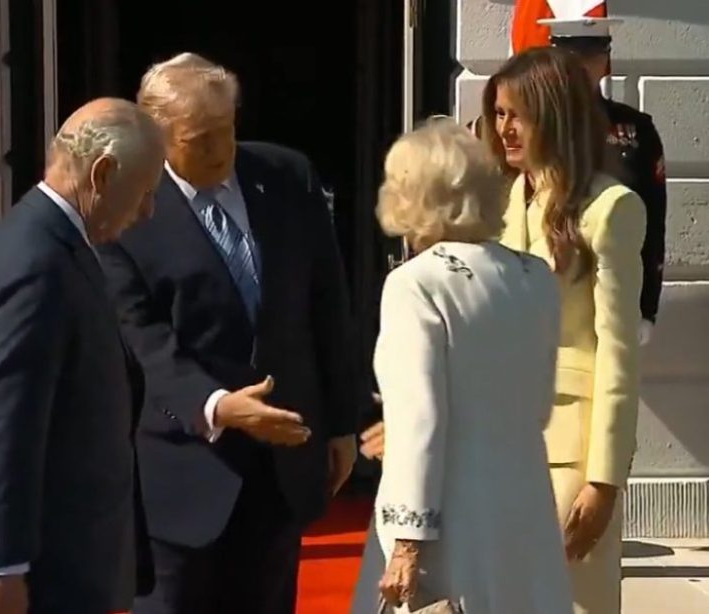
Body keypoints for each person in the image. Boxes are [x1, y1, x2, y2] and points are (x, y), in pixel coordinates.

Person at [99, 52, 363, 614]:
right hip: (184, 476)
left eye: (228, 130)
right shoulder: (126, 211)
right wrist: (217, 406)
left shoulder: (288, 177)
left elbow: (326, 305)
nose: (221, 151)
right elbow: (143, 340)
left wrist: (342, 423)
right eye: (200, 139)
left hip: (282, 470)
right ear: (157, 137)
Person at [349, 118, 571, 613]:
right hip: (525, 506)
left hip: (451, 518)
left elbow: (419, 421)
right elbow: (537, 402)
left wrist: (407, 541)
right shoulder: (535, 276)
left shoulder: (416, 283)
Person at [0, 98, 164, 612]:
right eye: (145, 192)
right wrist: (1, 569)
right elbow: (6, 427)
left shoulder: (55, 243)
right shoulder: (36, 264)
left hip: (71, 566)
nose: (147, 211)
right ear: (103, 173)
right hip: (46, 579)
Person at [481, 46, 646, 614]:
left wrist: (603, 480)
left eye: (516, 114)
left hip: (569, 450)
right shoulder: (498, 202)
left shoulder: (610, 207)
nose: (504, 129)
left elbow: (619, 356)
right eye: (497, 113)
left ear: (554, 114)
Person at [537, 12, 668, 345]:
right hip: (543, 297)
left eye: (594, 53)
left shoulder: (635, 130)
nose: (584, 64)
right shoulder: (529, 128)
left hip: (613, 298)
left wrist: (646, 307)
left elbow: (653, 223)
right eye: (572, 55)